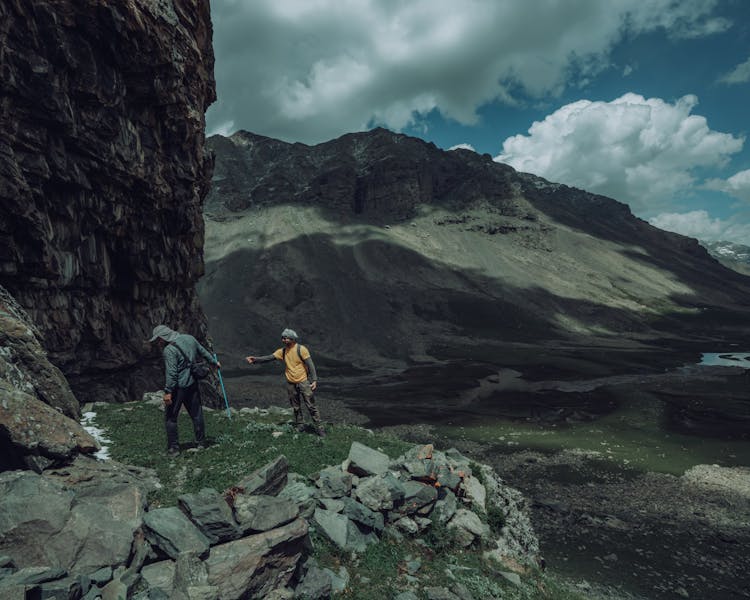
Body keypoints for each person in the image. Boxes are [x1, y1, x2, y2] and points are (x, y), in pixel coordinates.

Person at [148, 324, 220, 455]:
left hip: (178, 388)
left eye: (158, 339)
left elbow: (171, 374)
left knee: (171, 418)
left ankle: (173, 449)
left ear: (164, 337)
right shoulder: (189, 338)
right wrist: (214, 362)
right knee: (197, 414)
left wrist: (168, 392)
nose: (158, 342)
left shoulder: (169, 350)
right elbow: (203, 351)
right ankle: (201, 443)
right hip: (192, 383)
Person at [245, 328, 323, 436]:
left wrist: (314, 380)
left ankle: (319, 428)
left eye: (285, 338)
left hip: (303, 382)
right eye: (282, 338)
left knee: (311, 405)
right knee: (296, 407)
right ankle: (300, 425)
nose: (283, 340)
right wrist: (255, 360)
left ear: (292, 338)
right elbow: (270, 357)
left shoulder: (301, 349)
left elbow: (310, 364)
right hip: (291, 383)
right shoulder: (282, 351)